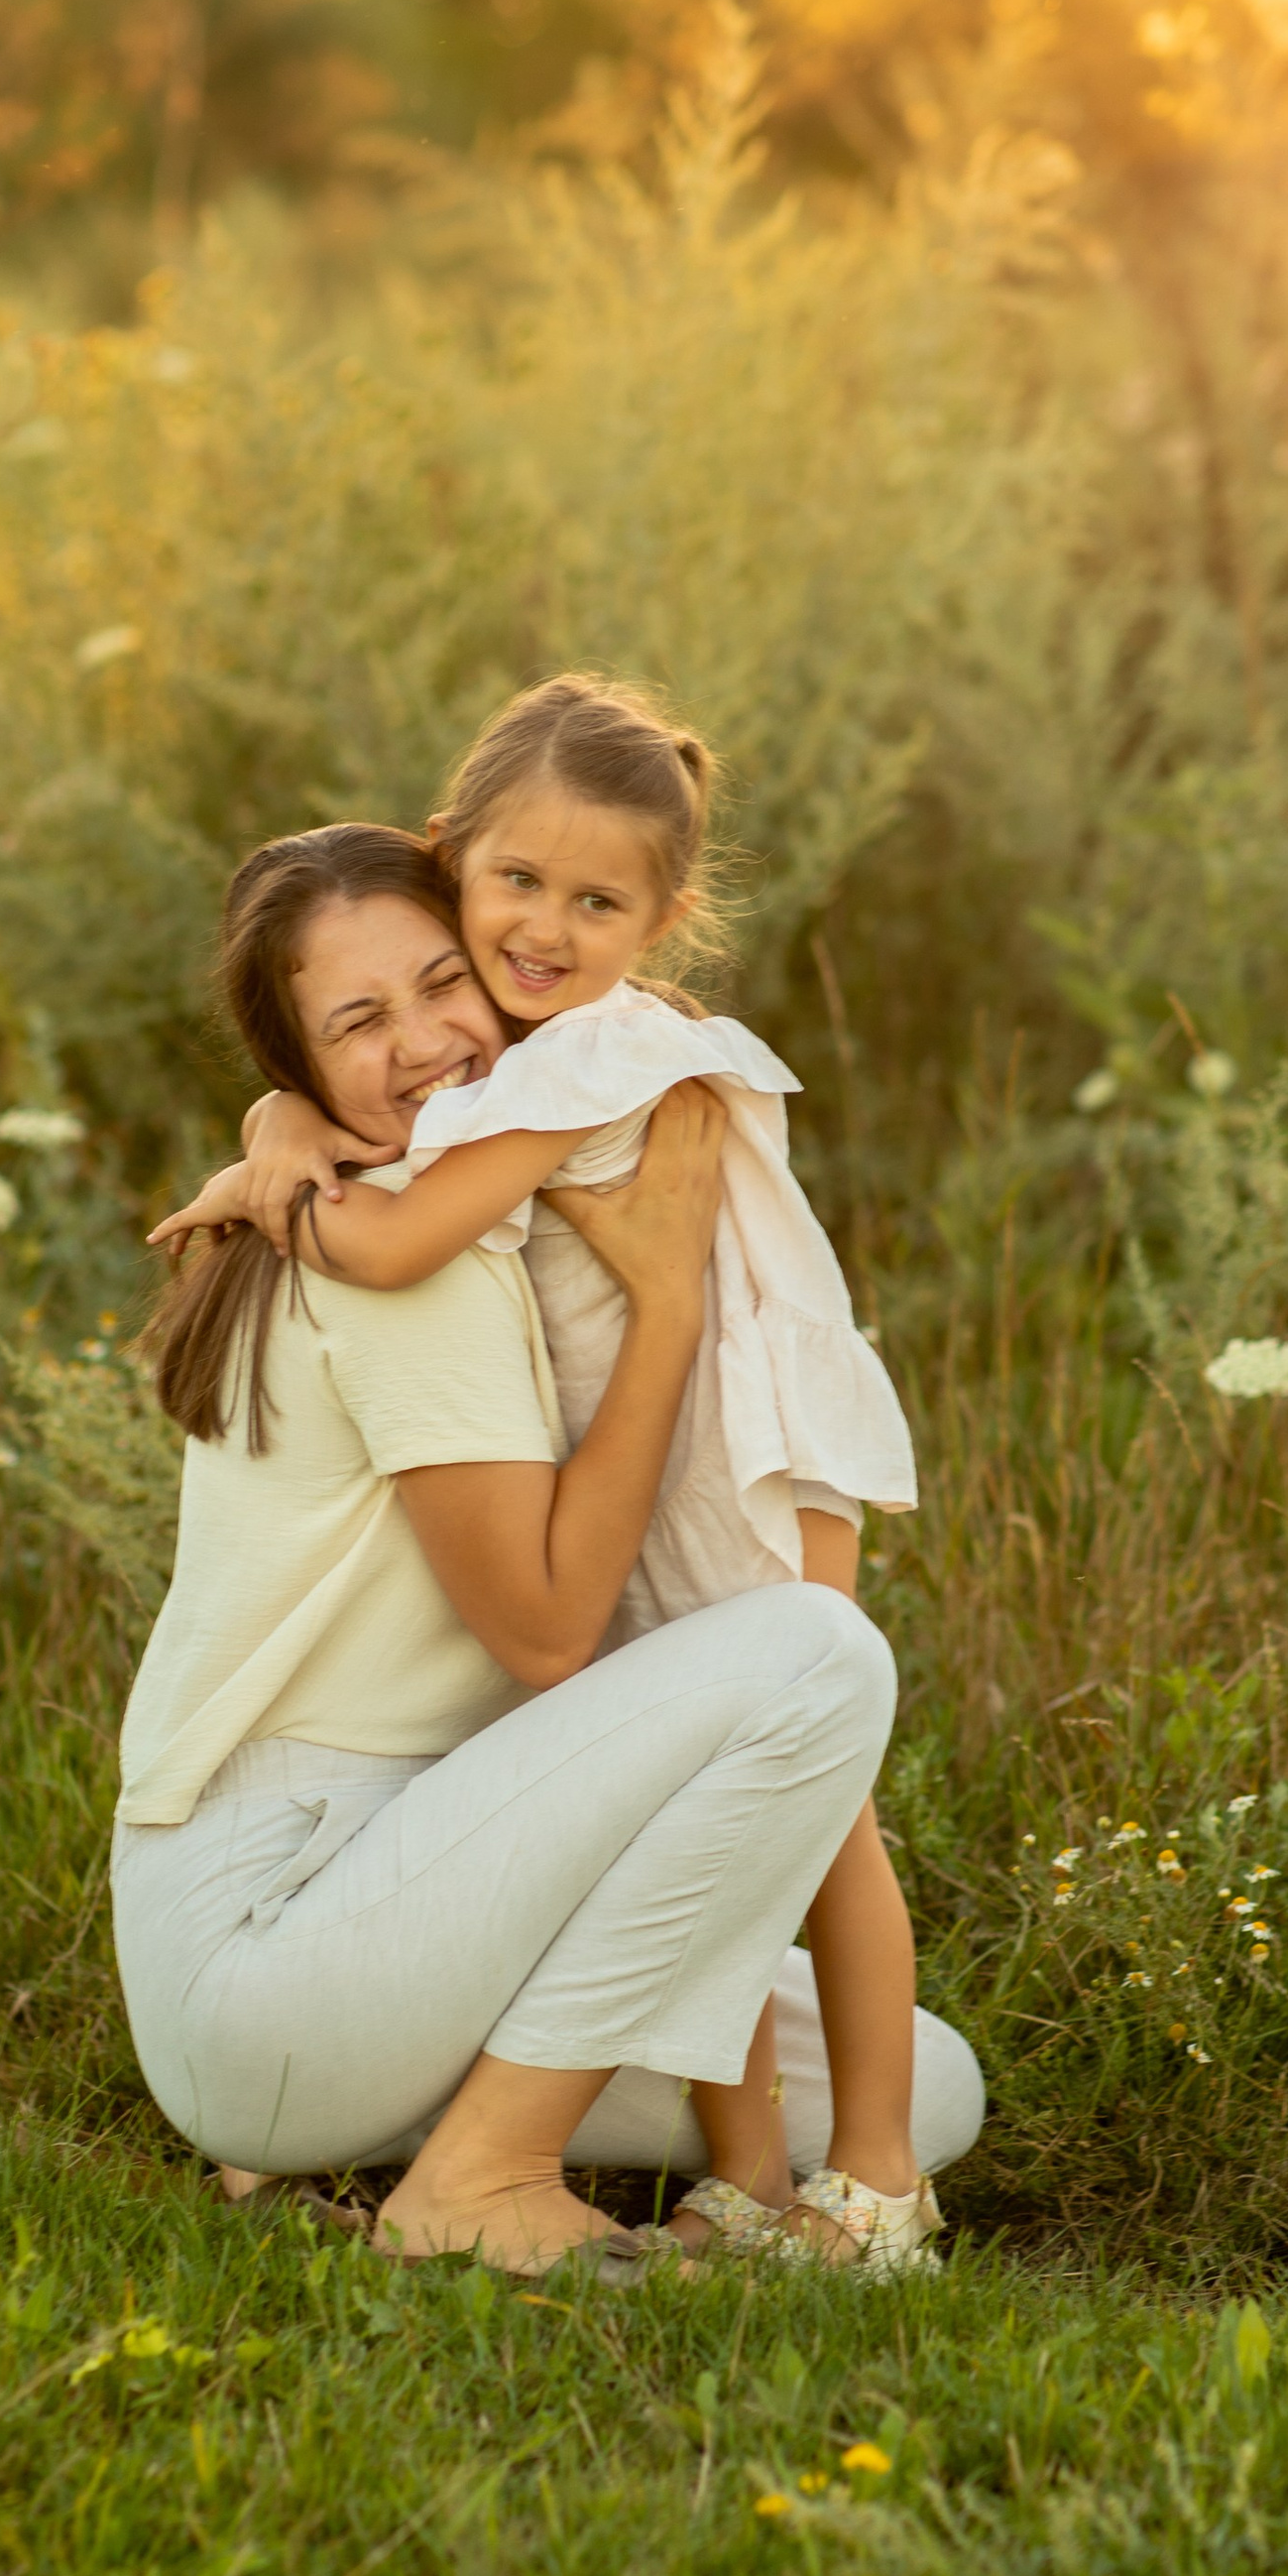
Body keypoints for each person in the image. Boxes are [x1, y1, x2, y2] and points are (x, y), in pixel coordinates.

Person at [151, 677, 939, 2279]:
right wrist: (277, 1137)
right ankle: (509, 2175)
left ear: (651, 919)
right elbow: (545, 1630)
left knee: (897, 1996)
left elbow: (404, 1162)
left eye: (441, 983)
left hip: (428, 1848)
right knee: (809, 1709)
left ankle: (796, 2170)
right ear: (462, 859)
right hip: (287, 1925)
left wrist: (276, 1138)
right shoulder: (461, 1187)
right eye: (354, 1024)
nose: (435, 1034)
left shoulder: (567, 1066)